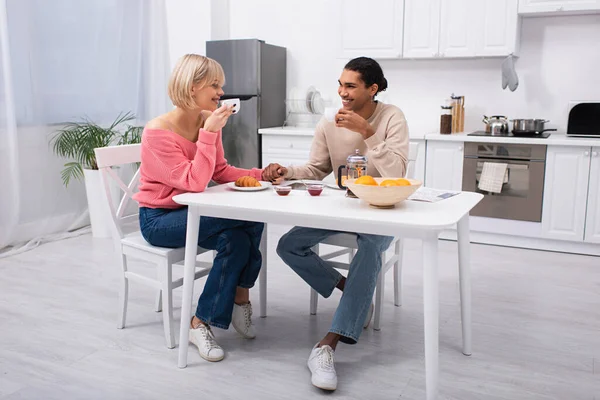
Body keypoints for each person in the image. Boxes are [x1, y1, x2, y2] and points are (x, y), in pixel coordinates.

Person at [133, 54, 284, 362]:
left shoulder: (205, 122)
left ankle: (200, 321)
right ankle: (239, 297)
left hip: (193, 213)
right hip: (160, 219)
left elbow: (219, 170)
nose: (220, 92)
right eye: (215, 85)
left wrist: (259, 175)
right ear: (191, 87)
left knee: (240, 235)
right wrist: (209, 133)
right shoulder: (157, 133)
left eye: (221, 85)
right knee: (245, 218)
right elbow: (195, 181)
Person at [275, 57, 409, 390]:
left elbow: (398, 173)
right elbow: (316, 169)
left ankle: (326, 346)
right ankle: (353, 292)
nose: (342, 92)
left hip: (381, 209)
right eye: (341, 84)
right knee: (288, 244)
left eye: (350, 86)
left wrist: (367, 133)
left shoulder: (392, 117)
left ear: (372, 89)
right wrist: (286, 172)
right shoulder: (328, 122)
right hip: (342, 207)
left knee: (369, 248)